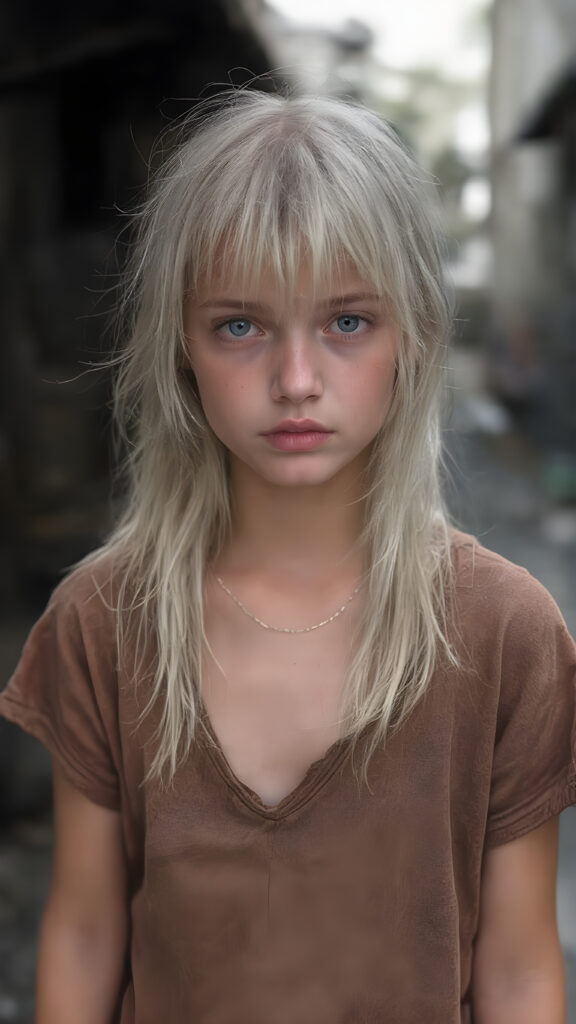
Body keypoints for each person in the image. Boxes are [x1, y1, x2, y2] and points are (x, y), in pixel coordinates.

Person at [1, 90, 575, 1024]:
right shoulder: (105, 621)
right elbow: (83, 935)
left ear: (416, 336)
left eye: (347, 322)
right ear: (181, 347)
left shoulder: (504, 632)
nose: (297, 381)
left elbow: (515, 971)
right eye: (241, 326)